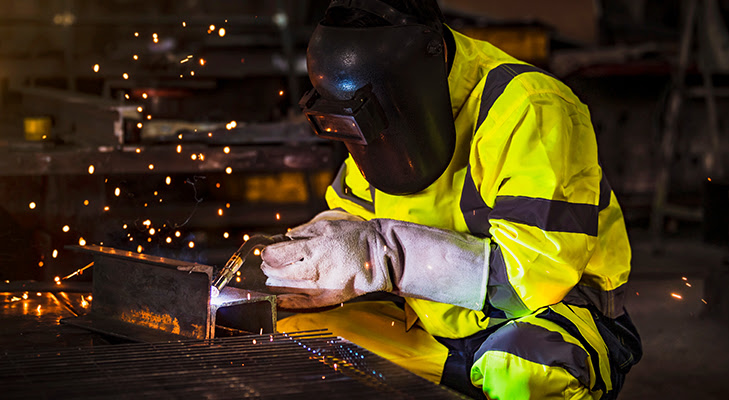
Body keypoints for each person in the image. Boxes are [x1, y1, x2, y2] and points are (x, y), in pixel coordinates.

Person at [260, 0, 642, 398]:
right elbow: (355, 211)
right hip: (431, 325)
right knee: (297, 335)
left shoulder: (531, 106)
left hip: (547, 319)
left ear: (433, 55)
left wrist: (387, 255)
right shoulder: (374, 104)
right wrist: (321, 247)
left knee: (520, 371)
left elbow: (531, 281)